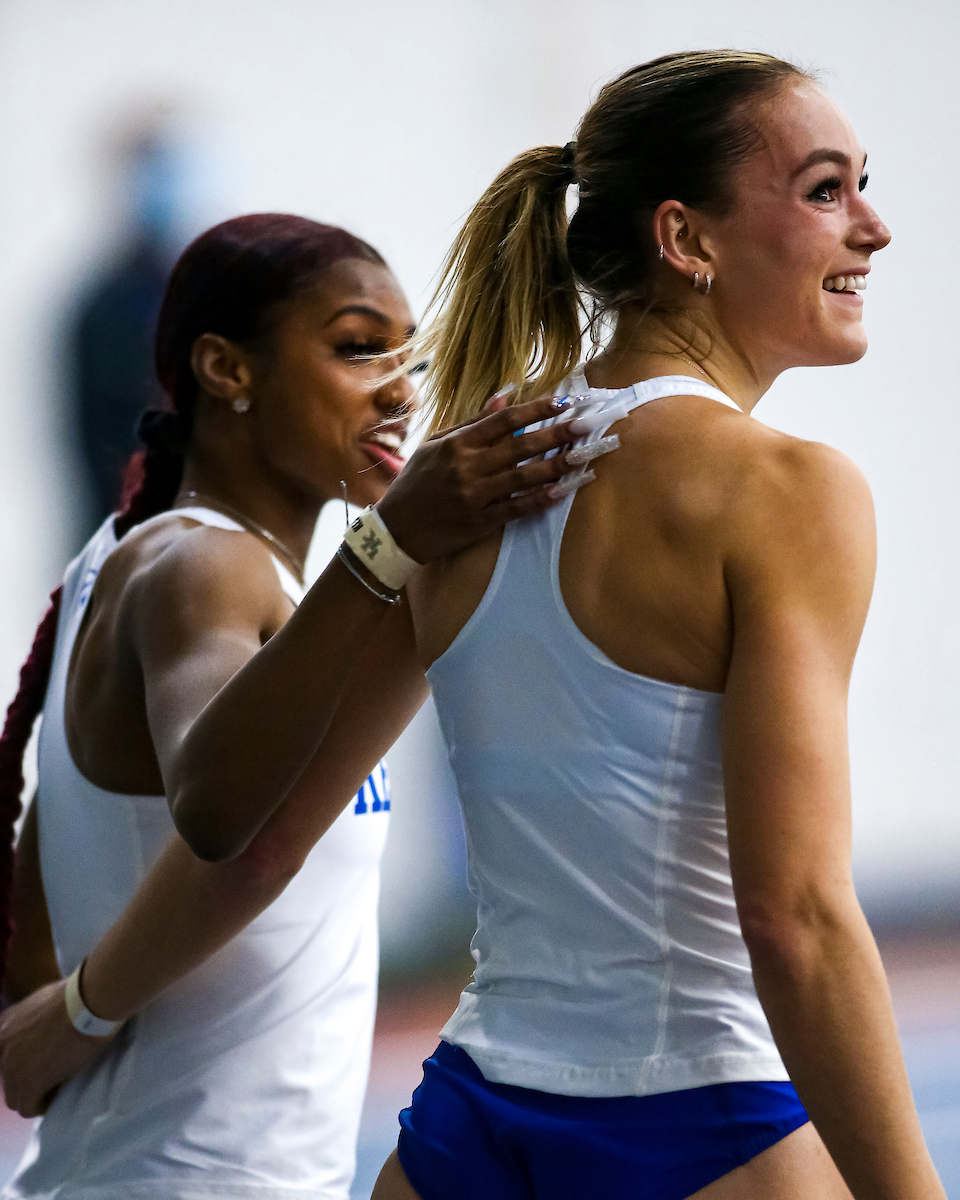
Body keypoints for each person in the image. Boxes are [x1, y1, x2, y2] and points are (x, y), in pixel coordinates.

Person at [353, 50, 940, 1199]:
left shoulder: (465, 474)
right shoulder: (789, 491)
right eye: (827, 189)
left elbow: (258, 826)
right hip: (699, 1125)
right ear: (687, 240)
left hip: (466, 1135)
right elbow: (798, 918)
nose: (874, 228)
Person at [0, 213, 581, 1200]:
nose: (399, 390)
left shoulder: (143, 558)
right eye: (358, 349)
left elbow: (45, 877)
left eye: (407, 359)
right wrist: (388, 546)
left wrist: (61, 1020)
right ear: (226, 369)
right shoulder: (200, 564)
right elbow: (222, 812)